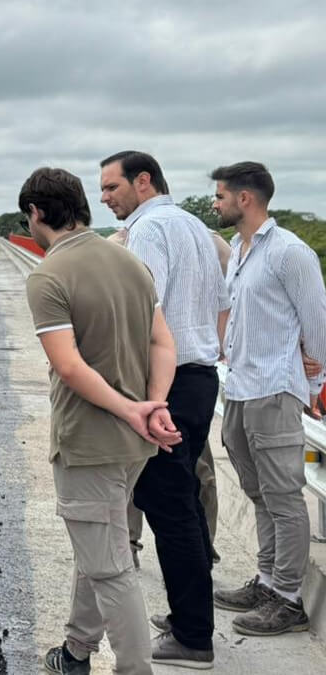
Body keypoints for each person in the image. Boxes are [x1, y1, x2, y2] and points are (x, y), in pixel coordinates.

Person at [21, 166, 179, 675]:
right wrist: (152, 405)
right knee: (100, 545)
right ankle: (76, 650)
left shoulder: (49, 275)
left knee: (111, 567)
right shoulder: (130, 263)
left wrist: (134, 410)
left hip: (89, 442)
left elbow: (69, 366)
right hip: (135, 443)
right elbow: (163, 343)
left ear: (37, 213)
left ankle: (134, 669)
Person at [99, 150, 225, 667]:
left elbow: (141, 316)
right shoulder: (195, 225)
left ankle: (193, 637)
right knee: (187, 506)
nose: (104, 198)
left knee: (169, 512)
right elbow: (222, 304)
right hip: (201, 377)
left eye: (111, 188)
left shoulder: (148, 231)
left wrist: (149, 399)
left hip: (167, 383)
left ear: (143, 182)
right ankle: (187, 618)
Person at [211, 161, 326, 636]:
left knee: (283, 496)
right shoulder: (239, 249)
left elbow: (317, 322)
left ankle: (289, 598)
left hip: (275, 390)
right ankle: (265, 580)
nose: (214, 203)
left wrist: (314, 386)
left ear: (245, 199)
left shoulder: (289, 253)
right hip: (239, 387)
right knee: (257, 492)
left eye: (220, 196)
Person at [109, 225, 228, 569]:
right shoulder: (119, 242)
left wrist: (218, 345)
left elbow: (230, 296)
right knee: (137, 469)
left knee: (193, 471)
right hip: (148, 376)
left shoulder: (207, 243)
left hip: (184, 371)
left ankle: (201, 547)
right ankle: (130, 543)